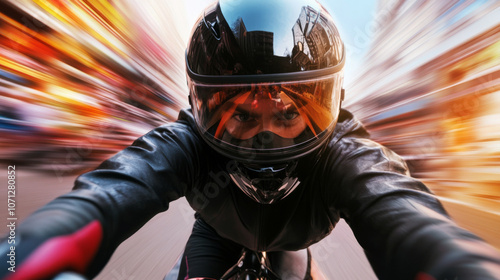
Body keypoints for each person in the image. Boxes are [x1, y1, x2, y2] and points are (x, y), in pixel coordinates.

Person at [2, 0, 500, 279]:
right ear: (203, 107)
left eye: (285, 113)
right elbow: (117, 187)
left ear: (330, 103)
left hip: (287, 245)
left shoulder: (345, 153)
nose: (264, 135)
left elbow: (403, 211)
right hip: (219, 235)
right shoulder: (187, 142)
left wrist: (455, 263)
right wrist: (29, 250)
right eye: (241, 114)